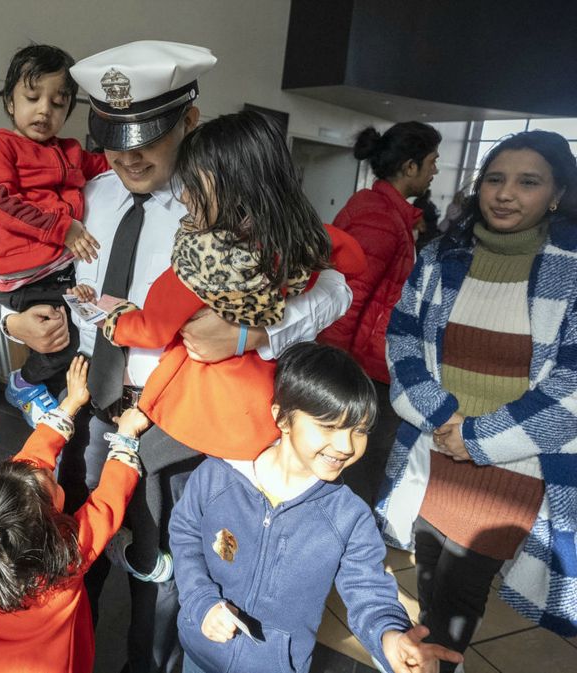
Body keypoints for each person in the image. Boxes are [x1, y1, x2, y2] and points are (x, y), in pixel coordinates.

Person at [2, 40, 353, 673]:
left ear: (188, 123)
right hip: (87, 404)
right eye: (114, 136)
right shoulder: (90, 195)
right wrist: (14, 317)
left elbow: (337, 284)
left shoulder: (228, 198)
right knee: (73, 550)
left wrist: (253, 336)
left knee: (168, 567)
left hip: (181, 421)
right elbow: (16, 260)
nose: (129, 154)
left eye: (148, 135)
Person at [96, 110, 365, 582]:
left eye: (194, 186)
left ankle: (149, 559)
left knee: (174, 515)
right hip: (256, 410)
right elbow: (349, 256)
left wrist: (113, 321)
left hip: (193, 405)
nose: (184, 196)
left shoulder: (200, 252)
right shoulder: (290, 237)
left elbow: (339, 291)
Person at [377, 130, 577, 666]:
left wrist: (477, 438)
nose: (505, 194)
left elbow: (572, 387)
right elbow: (402, 339)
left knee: (457, 599)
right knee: (427, 587)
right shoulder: (444, 254)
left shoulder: (572, 268)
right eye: (494, 179)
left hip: (515, 470)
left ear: (557, 193)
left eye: (527, 182)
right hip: (435, 450)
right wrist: (446, 420)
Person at [170, 342, 464, 673]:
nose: (346, 446)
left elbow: (368, 591)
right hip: (200, 650)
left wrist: (390, 637)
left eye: (360, 430)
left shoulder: (348, 516)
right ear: (281, 417)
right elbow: (185, 536)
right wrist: (200, 601)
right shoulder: (217, 476)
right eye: (328, 426)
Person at [0, 356, 151, 673]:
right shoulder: (67, 554)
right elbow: (106, 502)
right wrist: (126, 436)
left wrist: (71, 404)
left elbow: (31, 460)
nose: (50, 472)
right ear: (51, 527)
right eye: (53, 481)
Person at [0, 44, 109, 427]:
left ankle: (44, 390)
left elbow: (107, 166)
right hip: (24, 276)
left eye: (58, 102)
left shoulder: (70, 151)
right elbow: (1, 201)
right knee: (59, 340)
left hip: (58, 275)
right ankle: (25, 385)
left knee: (74, 335)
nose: (44, 110)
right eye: (32, 98)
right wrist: (62, 228)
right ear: (11, 103)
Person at [318, 121, 442, 507]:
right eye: (432, 162)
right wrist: (336, 375)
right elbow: (348, 301)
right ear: (410, 166)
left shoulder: (385, 212)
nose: (435, 170)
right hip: (361, 372)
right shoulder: (380, 218)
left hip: (365, 367)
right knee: (357, 476)